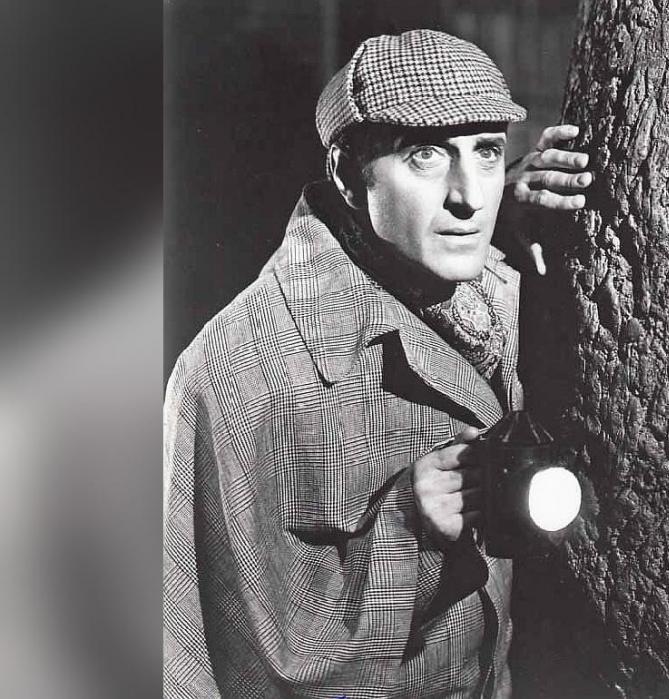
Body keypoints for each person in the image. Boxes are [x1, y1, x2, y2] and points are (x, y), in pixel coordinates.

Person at [164, 29, 591, 698]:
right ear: (345, 173)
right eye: (425, 155)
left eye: (486, 151)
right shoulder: (238, 368)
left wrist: (511, 225)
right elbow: (226, 667)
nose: (468, 197)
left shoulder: (487, 293)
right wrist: (402, 529)